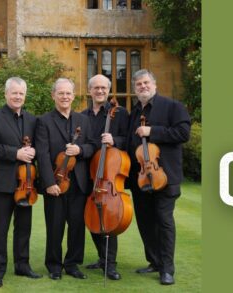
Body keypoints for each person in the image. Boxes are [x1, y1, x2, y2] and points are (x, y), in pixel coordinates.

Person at [127, 69, 190, 285]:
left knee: (164, 221)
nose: (143, 87)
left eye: (146, 83)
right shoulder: (134, 112)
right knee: (145, 222)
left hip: (165, 176)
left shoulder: (173, 106)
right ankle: (154, 261)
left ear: (154, 84)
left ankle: (167, 269)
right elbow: (129, 142)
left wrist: (152, 131)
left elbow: (183, 134)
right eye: (138, 85)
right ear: (134, 89)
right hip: (141, 177)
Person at [0, 77, 43, 288]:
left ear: (25, 96)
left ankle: (22, 266)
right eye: (14, 93)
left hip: (26, 184)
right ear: (6, 94)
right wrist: (16, 153)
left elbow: (37, 146)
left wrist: (33, 151)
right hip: (3, 183)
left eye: (21, 93)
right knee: (0, 230)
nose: (18, 97)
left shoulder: (32, 120)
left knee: (24, 228)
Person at [35, 78, 95, 280]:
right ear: (53, 95)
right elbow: (41, 154)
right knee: (55, 225)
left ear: (74, 95)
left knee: (77, 226)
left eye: (68, 93)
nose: (65, 97)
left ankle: (72, 264)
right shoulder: (43, 121)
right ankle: (54, 266)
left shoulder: (83, 120)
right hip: (55, 182)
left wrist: (80, 149)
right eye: (60, 93)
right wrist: (49, 183)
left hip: (78, 182)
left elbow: (92, 146)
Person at [81, 74, 129, 280]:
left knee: (109, 217)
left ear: (108, 91)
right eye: (96, 88)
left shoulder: (119, 113)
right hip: (90, 173)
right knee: (93, 217)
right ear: (89, 90)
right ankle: (102, 258)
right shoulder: (82, 116)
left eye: (103, 88)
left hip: (109, 172)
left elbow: (130, 139)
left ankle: (110, 264)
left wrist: (114, 139)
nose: (100, 91)